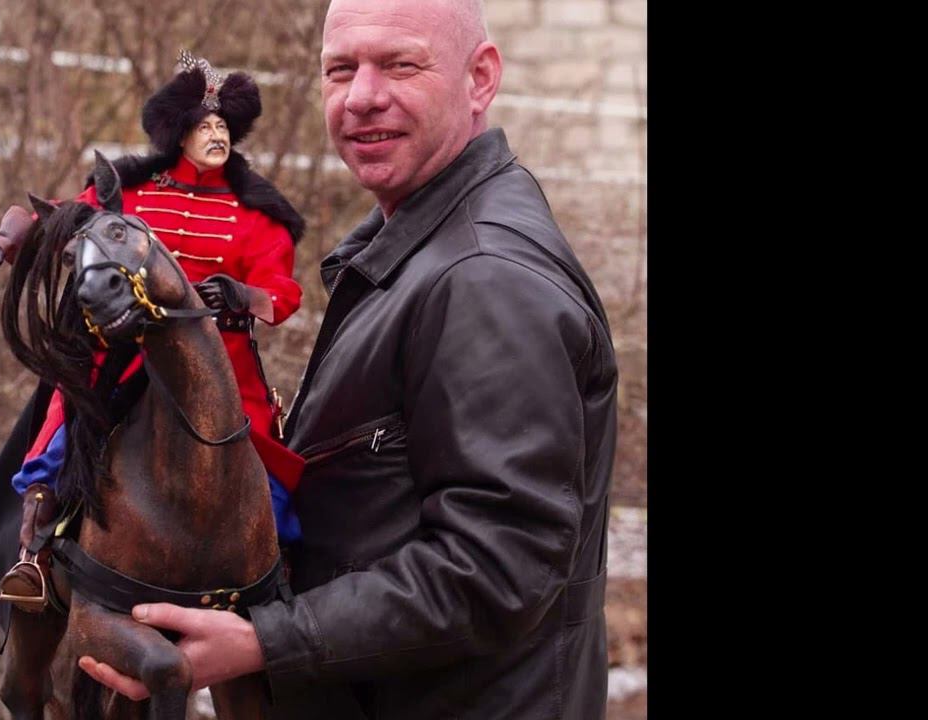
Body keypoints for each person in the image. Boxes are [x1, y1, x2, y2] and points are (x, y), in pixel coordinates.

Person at [76, 1, 620, 718]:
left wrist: (263, 641)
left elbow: (498, 568)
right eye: (341, 70)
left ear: (480, 78)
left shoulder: (487, 279)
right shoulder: (411, 253)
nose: (362, 96)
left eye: (400, 64)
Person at [0, 51, 308, 619]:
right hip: (121, 352)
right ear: (179, 135)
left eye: (223, 126)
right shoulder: (128, 192)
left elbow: (282, 292)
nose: (217, 136)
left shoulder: (258, 213)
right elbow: (58, 219)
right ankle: (34, 557)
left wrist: (242, 294)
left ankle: (274, 582)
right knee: (61, 438)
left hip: (218, 364)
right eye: (204, 126)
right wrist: (5, 242)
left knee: (265, 477)